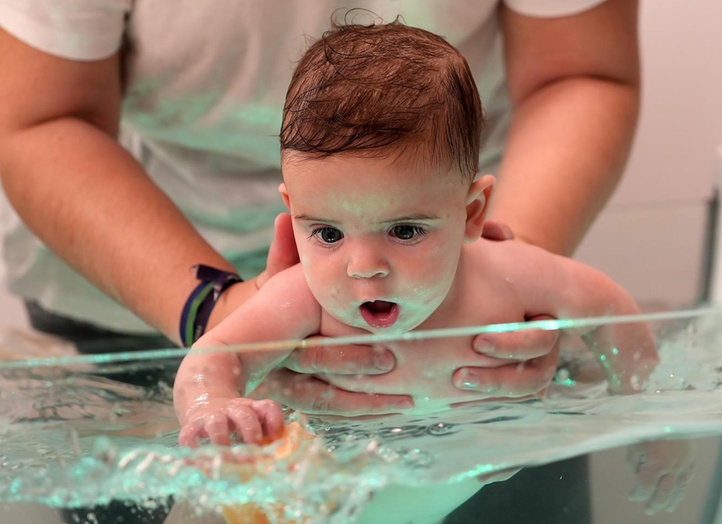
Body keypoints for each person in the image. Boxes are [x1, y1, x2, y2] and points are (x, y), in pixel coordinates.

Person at [171, 20, 657, 522]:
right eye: (328, 234)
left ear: (472, 212)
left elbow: (609, 311)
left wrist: (650, 420)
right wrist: (212, 404)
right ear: (292, 211)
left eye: (404, 231)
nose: (363, 270)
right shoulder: (304, 300)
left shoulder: (510, 277)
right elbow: (214, 356)